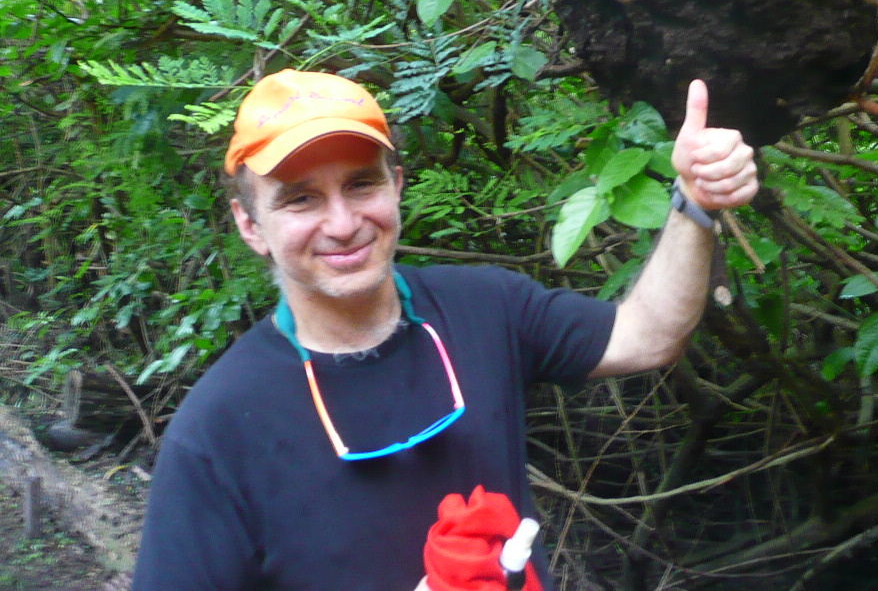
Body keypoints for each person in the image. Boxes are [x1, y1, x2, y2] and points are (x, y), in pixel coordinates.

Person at [131, 68, 758, 591]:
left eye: (361, 184)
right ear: (249, 225)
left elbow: (647, 335)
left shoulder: (485, 307)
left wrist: (694, 201)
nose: (343, 224)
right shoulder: (216, 431)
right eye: (301, 199)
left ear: (397, 185)